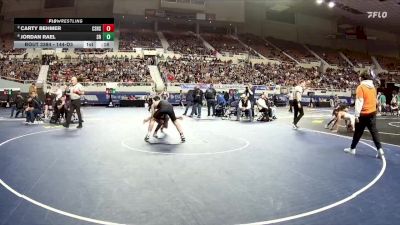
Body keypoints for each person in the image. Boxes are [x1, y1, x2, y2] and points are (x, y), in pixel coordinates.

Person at [344, 72, 384, 159]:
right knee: (374, 132)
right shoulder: (373, 87)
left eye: (359, 77)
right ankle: (380, 149)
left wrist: (356, 115)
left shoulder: (361, 87)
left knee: (358, 132)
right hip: (372, 113)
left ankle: (352, 149)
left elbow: (359, 102)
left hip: (363, 114)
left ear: (362, 78)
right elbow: (374, 100)